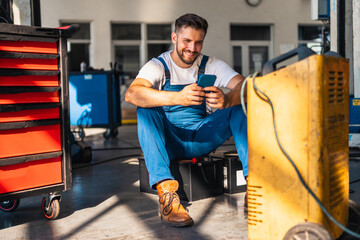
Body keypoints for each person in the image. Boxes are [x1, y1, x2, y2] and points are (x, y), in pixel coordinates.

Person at [125, 13, 248, 227]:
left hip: (202, 137)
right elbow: (132, 94)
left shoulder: (211, 64)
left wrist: (227, 99)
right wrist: (177, 97)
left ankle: (254, 186)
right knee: (145, 107)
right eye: (187, 41)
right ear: (174, 38)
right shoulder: (158, 66)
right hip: (170, 142)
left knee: (241, 107)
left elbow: (246, 87)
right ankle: (168, 197)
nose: (192, 48)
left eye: (198, 42)